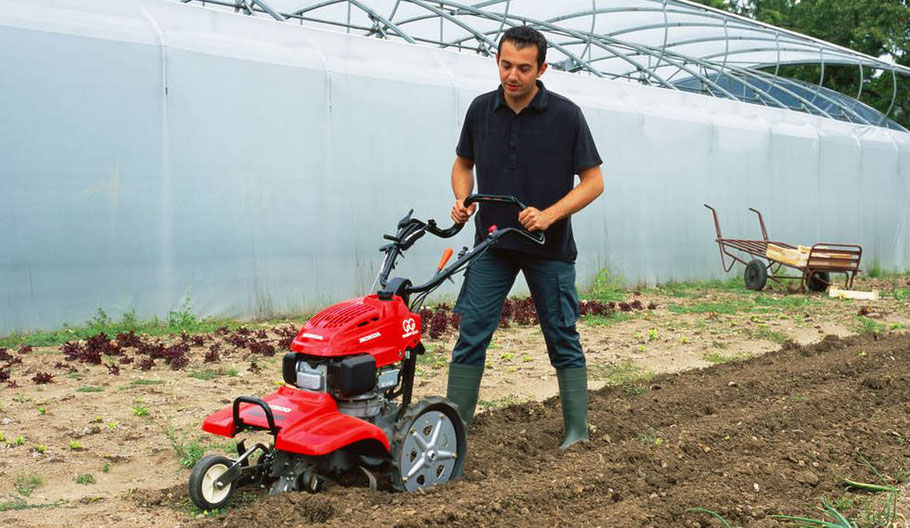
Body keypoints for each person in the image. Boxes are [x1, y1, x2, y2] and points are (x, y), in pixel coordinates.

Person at [446, 25, 604, 450]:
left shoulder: (566, 115)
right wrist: (463, 198)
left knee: (561, 334)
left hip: (548, 249)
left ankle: (576, 432)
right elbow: (463, 164)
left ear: (542, 68)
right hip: (492, 244)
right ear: (497, 62)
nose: (512, 76)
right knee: (471, 333)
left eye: (523, 68)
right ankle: (454, 428)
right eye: (505, 65)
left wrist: (550, 215)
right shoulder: (481, 110)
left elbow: (593, 182)